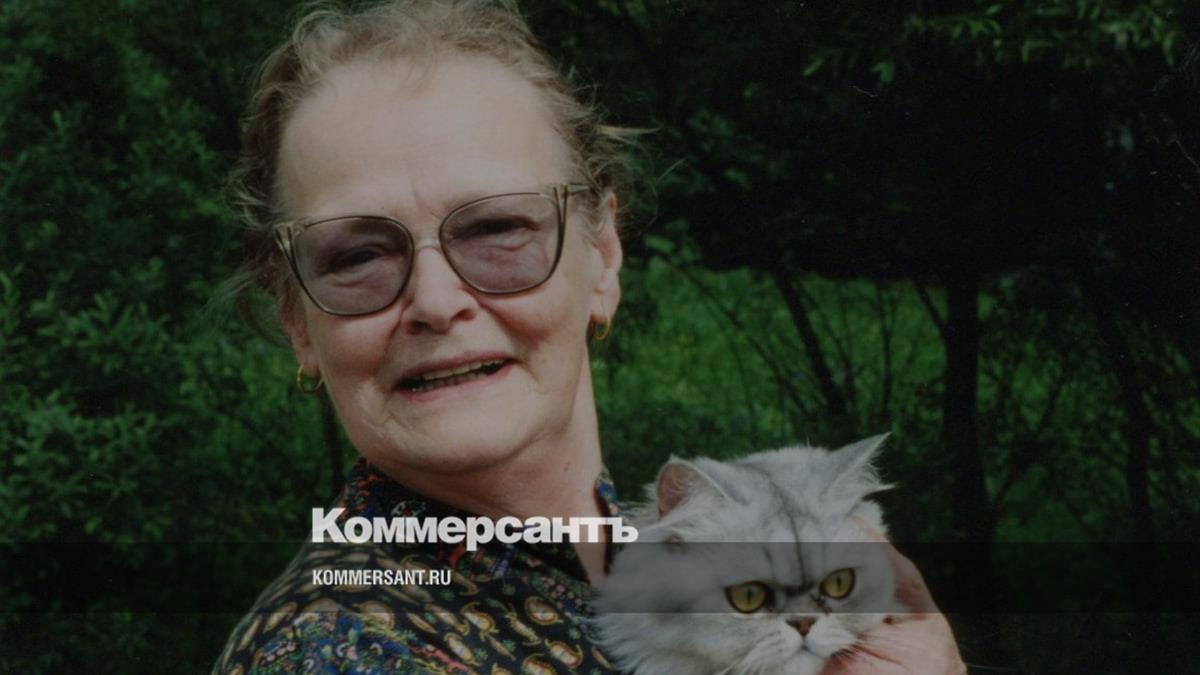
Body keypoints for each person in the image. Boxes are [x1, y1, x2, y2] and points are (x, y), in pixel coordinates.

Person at [213, 1, 965, 673]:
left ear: (602, 255)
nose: (436, 302)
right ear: (297, 320)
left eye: (497, 228)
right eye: (357, 257)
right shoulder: (338, 647)